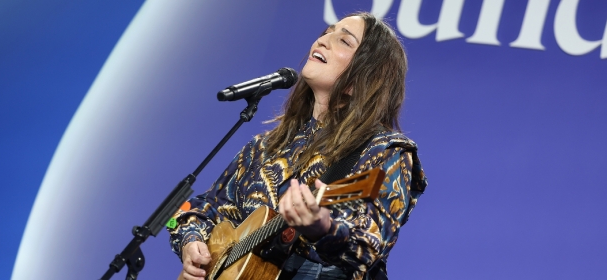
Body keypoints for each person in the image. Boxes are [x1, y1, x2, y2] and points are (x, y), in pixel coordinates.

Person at [168, 12, 427, 280]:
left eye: (344, 41)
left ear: (367, 76)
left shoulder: (385, 151)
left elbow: (371, 245)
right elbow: (183, 213)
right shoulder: (263, 148)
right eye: (327, 32)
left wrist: (324, 228)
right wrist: (189, 242)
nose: (323, 40)